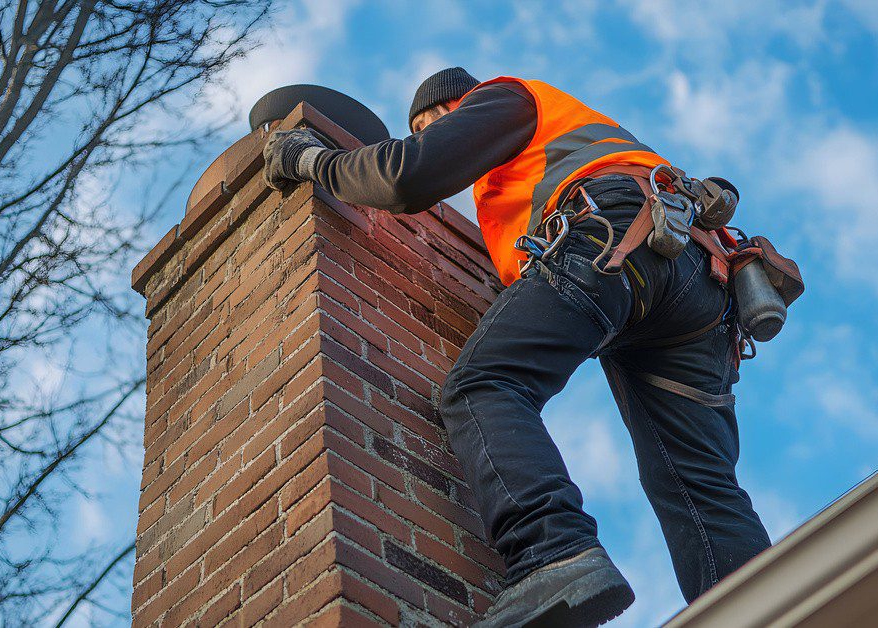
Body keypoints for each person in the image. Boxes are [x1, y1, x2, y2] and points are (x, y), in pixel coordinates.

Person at [263, 67, 772, 627]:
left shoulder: (501, 101)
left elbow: (406, 175)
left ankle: (552, 553)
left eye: (428, 124)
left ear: (450, 108)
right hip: (700, 288)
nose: (428, 134)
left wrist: (311, 161)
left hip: (618, 237)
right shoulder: (529, 172)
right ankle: (769, 610)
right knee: (697, 486)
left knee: (485, 384)